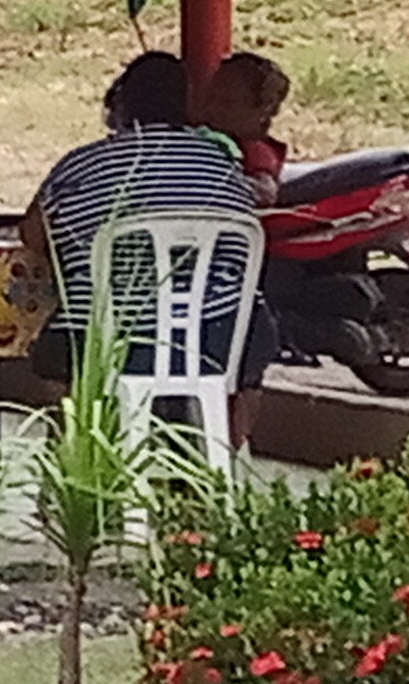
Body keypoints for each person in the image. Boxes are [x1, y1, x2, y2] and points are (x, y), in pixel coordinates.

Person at [26, 50, 273, 447]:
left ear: (119, 105)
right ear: (187, 107)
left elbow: (33, 237)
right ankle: (224, 457)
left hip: (106, 342)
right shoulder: (223, 164)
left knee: (52, 358)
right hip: (215, 340)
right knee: (258, 337)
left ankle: (77, 458)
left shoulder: (81, 166)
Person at [199, 49, 292, 197]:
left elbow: (266, 192)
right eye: (210, 98)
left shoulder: (255, 152)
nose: (213, 108)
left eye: (228, 103)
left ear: (262, 110)